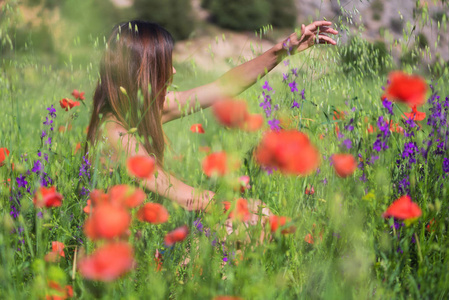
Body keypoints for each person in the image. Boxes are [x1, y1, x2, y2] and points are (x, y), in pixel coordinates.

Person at [86, 20, 337, 221]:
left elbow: (224, 86)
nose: (173, 72)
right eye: (164, 65)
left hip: (138, 233)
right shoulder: (114, 133)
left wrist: (283, 49)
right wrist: (236, 207)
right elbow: (182, 195)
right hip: (118, 258)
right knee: (249, 221)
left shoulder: (144, 111)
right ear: (140, 71)